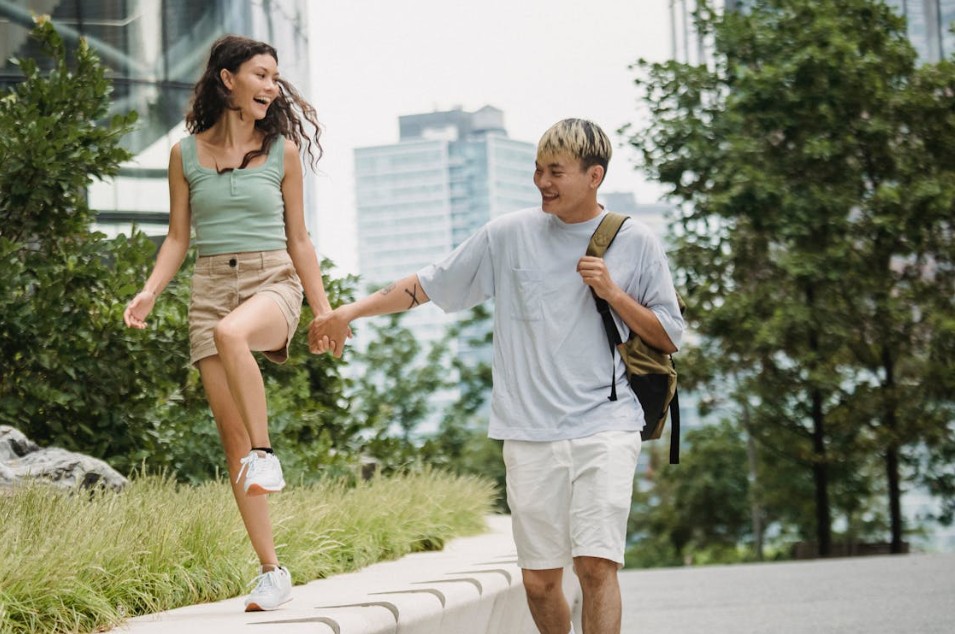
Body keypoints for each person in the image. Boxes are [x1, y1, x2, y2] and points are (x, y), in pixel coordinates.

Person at [309, 118, 684, 634]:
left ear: (594, 175)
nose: (541, 181)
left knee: (596, 566)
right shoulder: (508, 234)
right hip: (527, 429)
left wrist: (615, 295)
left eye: (555, 171)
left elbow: (669, 334)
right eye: (537, 169)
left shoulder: (635, 241)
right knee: (539, 582)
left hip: (606, 424)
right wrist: (347, 313)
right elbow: (429, 283)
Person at [124, 34, 336, 612]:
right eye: (261, 75)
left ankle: (267, 455)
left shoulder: (282, 152)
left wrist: (324, 311)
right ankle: (272, 571)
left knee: (233, 334)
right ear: (228, 79)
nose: (272, 86)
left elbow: (299, 239)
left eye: (274, 77)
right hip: (210, 286)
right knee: (230, 440)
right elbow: (177, 237)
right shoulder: (184, 154)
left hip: (273, 281)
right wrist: (147, 292)